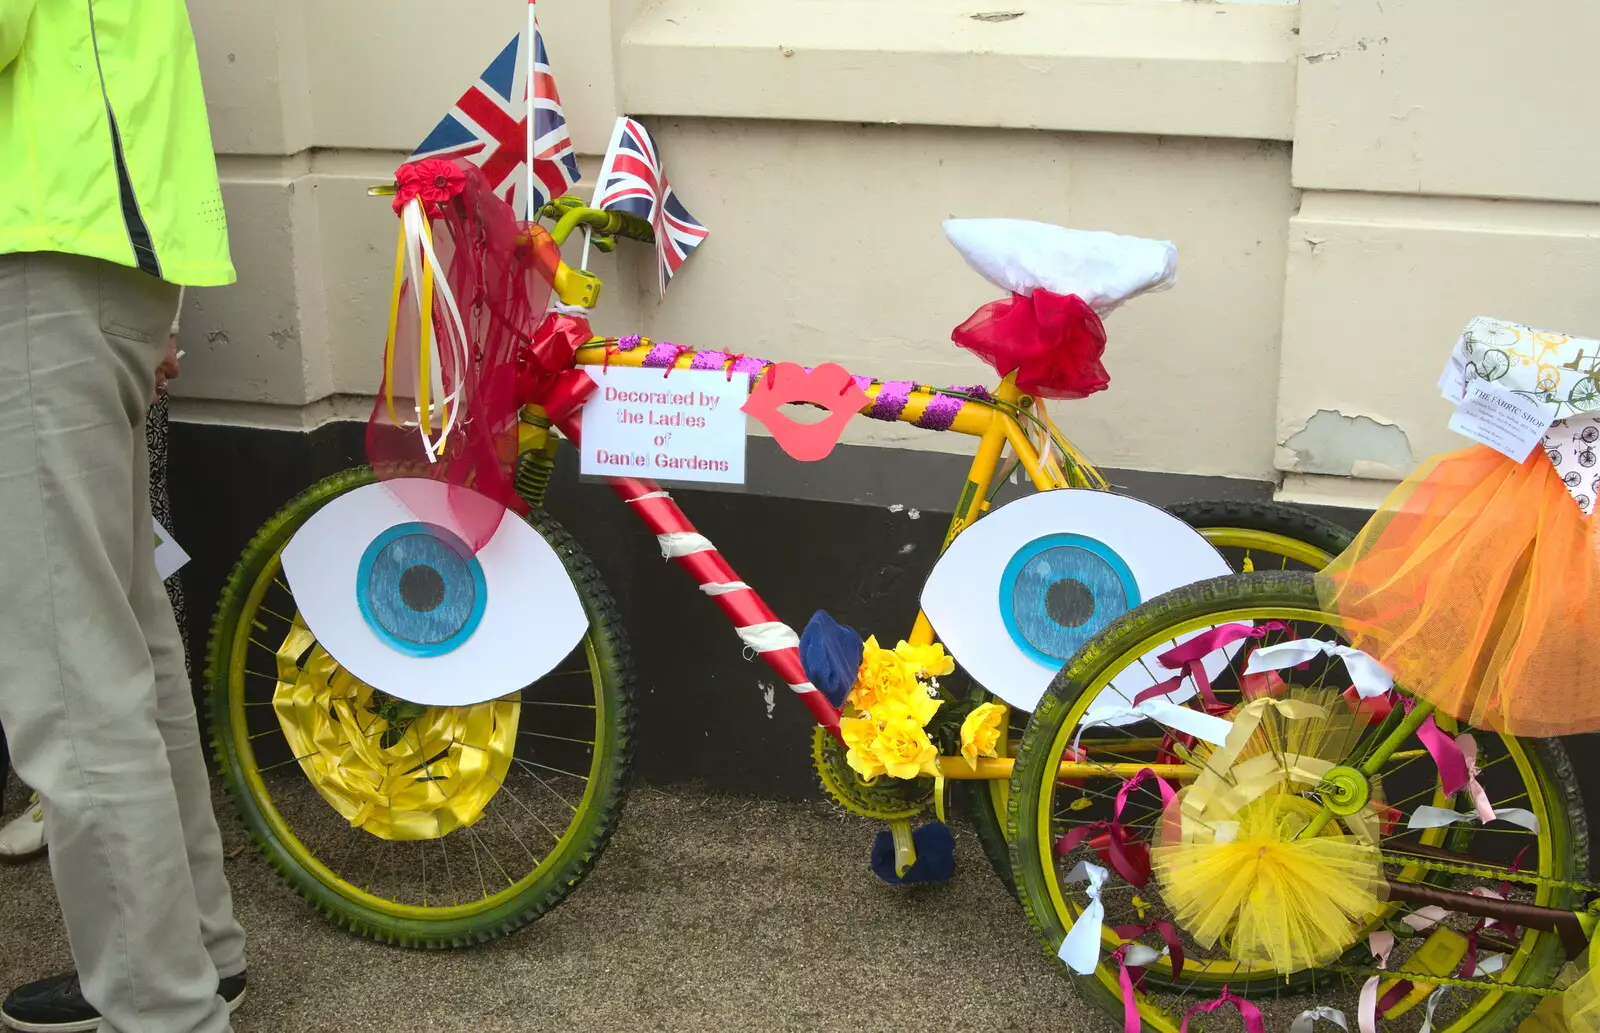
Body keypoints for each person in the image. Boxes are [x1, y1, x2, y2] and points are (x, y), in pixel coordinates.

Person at [0, 3, 248, 1031]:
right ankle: (193, 958)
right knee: (120, 641)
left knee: (71, 669)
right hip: (98, 244)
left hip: (40, 243)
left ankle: (161, 1006)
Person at [0, 306, 189, 865]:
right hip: (88, 312)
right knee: (122, 590)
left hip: (71, 318)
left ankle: (112, 802)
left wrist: (166, 327)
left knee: (98, 602)